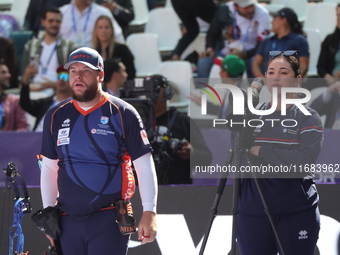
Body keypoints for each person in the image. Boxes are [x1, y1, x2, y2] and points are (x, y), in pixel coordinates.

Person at [40, 47, 157, 254]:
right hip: (67, 218)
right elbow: (49, 168)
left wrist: (150, 211)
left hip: (110, 217)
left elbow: (144, 165)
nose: (78, 76)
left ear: (100, 75)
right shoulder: (55, 115)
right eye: (73, 70)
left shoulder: (123, 112)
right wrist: (49, 215)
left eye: (85, 71)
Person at [236, 51, 323, 255]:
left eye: (283, 72)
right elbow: (239, 154)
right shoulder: (252, 115)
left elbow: (303, 162)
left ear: (297, 79)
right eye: (271, 72)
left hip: (296, 211)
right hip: (252, 211)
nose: (275, 77)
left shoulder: (309, 117)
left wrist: (262, 150)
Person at [147, 74, 212, 184]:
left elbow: (206, 158)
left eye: (155, 89)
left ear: (167, 93)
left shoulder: (183, 121)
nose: (151, 94)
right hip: (142, 191)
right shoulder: (135, 121)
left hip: (177, 191)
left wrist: (192, 154)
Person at [197, 0, 271, 78]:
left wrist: (245, 54)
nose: (250, 10)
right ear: (235, 6)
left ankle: (255, 89)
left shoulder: (262, 14)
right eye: (246, 7)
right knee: (204, 62)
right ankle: (203, 89)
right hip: (225, 53)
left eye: (252, 6)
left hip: (249, 54)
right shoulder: (225, 10)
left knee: (256, 62)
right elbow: (212, 32)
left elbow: (263, 44)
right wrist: (210, 48)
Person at [22, 7, 77, 93]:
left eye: (57, 21)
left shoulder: (69, 47)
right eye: (51, 21)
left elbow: (74, 78)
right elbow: (23, 76)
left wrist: (52, 85)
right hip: (33, 91)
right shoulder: (31, 46)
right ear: (43, 22)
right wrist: (26, 77)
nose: (54, 24)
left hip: (58, 92)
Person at [252, 8, 309, 78]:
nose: (271, 23)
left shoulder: (299, 41)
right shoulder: (267, 41)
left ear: (284, 21)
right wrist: (262, 79)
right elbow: (256, 63)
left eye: (274, 19)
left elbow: (304, 66)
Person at [20, 65, 72, 131]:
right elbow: (25, 104)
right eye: (60, 76)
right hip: (35, 137)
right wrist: (26, 80)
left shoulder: (75, 105)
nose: (62, 79)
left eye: (66, 77)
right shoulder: (46, 102)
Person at [59, 0, 124, 47]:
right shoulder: (62, 12)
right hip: (67, 59)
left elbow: (118, 36)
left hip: (94, 59)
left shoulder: (103, 12)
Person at [92, 15, 136, 80]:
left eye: (107, 27)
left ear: (112, 30)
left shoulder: (122, 49)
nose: (103, 31)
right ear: (96, 31)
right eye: (100, 27)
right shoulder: (93, 53)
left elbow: (131, 73)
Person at [317, 3, 340, 88]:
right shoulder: (330, 39)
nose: (338, 19)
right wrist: (329, 78)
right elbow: (321, 66)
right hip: (331, 84)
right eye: (337, 15)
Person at [0, 62, 28, 131]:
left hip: (8, 140)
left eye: (8, 72)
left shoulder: (15, 101)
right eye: (3, 72)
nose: (8, 75)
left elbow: (22, 127)